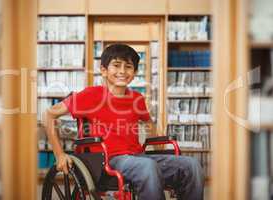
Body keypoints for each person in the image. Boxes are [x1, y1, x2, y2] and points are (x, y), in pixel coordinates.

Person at [43, 44, 204, 200]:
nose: (122, 71)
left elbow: (149, 123)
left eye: (128, 66)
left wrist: (158, 149)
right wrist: (59, 154)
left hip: (138, 157)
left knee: (191, 165)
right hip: (106, 161)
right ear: (104, 70)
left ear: (134, 72)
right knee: (147, 167)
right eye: (116, 65)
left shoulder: (137, 99)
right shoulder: (90, 95)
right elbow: (48, 115)